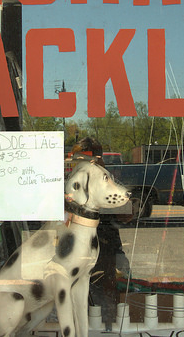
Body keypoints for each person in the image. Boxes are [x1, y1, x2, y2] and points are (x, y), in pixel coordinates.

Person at [69, 137, 131, 330]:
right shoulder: (72, 180)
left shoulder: (106, 178)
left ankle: (108, 327)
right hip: (73, 247)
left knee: (105, 294)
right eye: (80, 157)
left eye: (92, 157)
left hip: (104, 244)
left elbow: (126, 213)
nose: (86, 162)